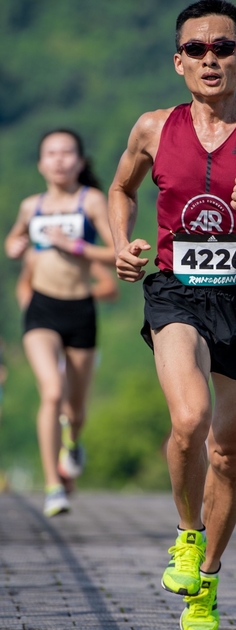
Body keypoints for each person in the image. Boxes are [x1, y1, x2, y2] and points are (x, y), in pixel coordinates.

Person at [108, 2, 236, 630]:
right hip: (176, 292)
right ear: (178, 61)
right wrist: (120, 244)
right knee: (189, 420)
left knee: (228, 454)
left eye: (223, 47)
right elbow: (121, 190)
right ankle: (187, 535)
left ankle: (207, 580)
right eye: (197, 49)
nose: (209, 58)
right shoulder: (152, 128)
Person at [5, 129, 116, 517]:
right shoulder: (30, 206)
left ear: (80, 162)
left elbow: (116, 252)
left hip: (80, 309)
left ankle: (73, 440)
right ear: (40, 163)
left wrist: (76, 246)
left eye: (67, 152)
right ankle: (54, 485)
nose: (59, 160)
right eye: (51, 153)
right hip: (41, 310)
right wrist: (15, 246)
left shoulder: (91, 201)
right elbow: (12, 242)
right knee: (52, 392)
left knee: (76, 409)